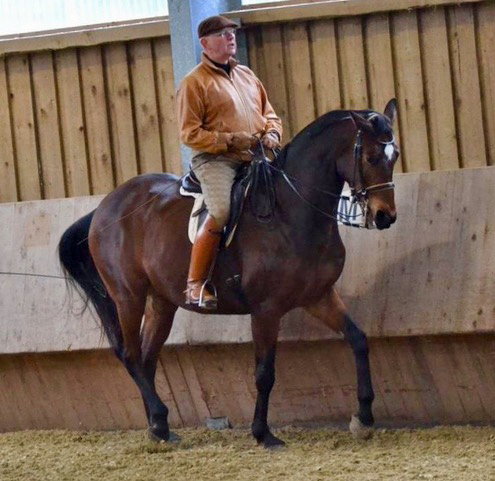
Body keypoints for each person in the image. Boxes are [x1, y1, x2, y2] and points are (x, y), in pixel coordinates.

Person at [176, 14, 283, 310]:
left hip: (256, 156)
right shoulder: (194, 83)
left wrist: (273, 132)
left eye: (232, 33)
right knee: (222, 210)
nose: (230, 37)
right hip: (216, 161)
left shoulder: (247, 75)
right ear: (204, 43)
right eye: (223, 34)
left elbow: (270, 113)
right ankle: (195, 285)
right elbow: (189, 133)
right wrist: (231, 140)